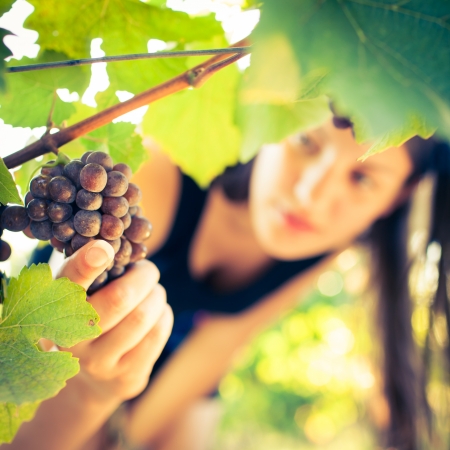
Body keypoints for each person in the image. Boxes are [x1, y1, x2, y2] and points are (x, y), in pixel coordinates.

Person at [3, 115, 447, 450]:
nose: (310, 194)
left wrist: (122, 437)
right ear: (272, 118)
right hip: (57, 348)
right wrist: (94, 404)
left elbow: (220, 347)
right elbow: (50, 379)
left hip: (178, 371)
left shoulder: (329, 244)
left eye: (362, 177)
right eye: (306, 141)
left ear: (400, 195)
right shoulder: (153, 181)